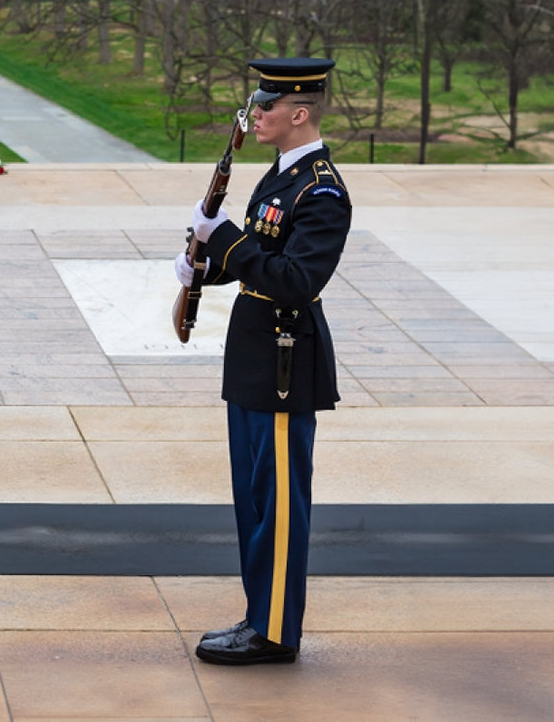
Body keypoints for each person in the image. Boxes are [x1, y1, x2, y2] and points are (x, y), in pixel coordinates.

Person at [177, 57, 350, 665]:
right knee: (252, 500)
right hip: (253, 360)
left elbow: (296, 280)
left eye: (266, 106)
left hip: (284, 364)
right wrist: (204, 263)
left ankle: (275, 631)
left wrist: (226, 239)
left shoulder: (321, 190)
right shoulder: (279, 177)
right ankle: (260, 616)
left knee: (278, 506)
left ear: (298, 113)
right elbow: (260, 261)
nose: (255, 114)